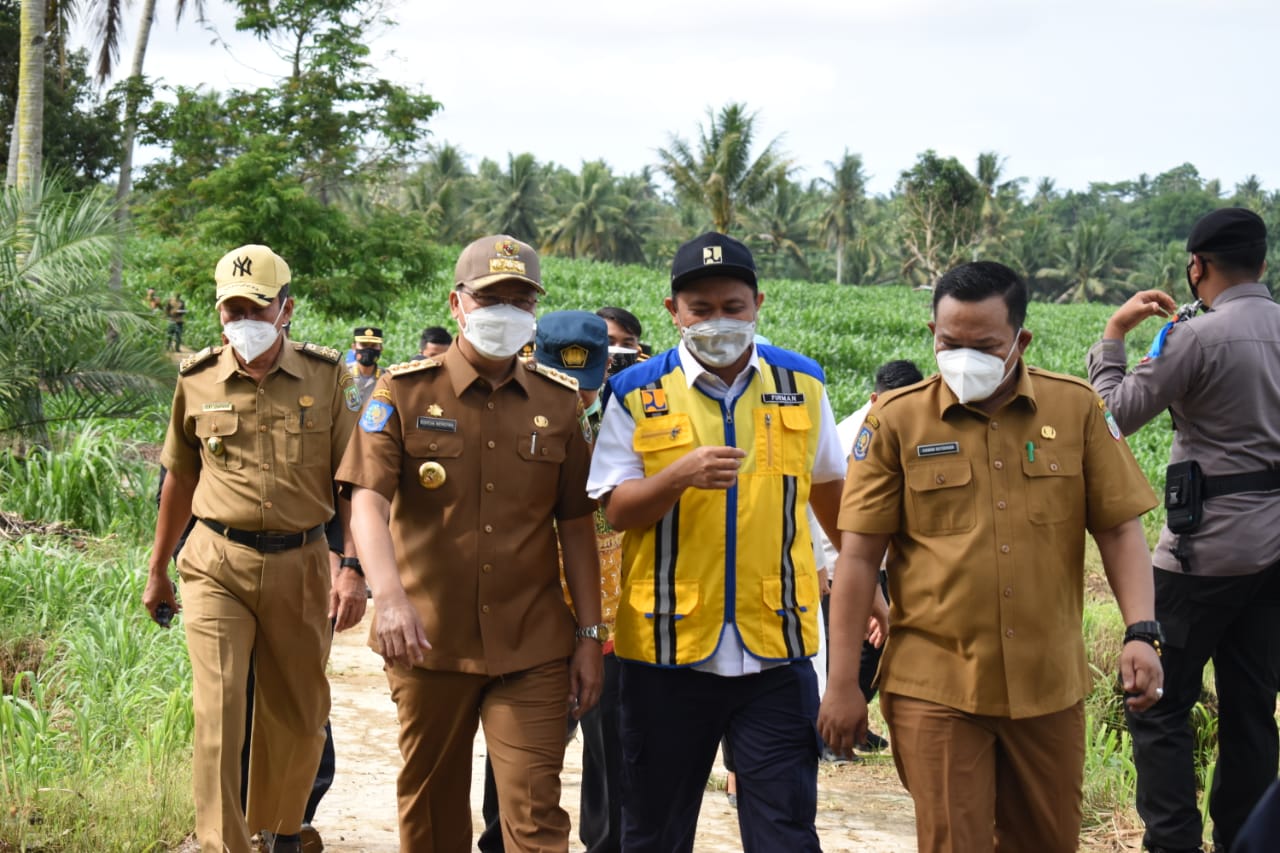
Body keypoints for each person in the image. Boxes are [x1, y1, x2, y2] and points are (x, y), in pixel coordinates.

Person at [819, 260, 1164, 853]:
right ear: (932, 333)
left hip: (1048, 686)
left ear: (1020, 341)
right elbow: (857, 559)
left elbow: (1119, 529)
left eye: (985, 345)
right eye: (949, 343)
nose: (964, 357)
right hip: (936, 682)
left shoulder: (1077, 409)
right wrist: (842, 684)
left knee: (1049, 841)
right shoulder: (895, 420)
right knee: (957, 843)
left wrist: (1141, 631)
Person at [337, 235, 604, 852]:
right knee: (433, 815)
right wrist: (390, 598)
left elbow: (576, 525)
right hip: (427, 637)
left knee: (536, 816)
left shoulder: (558, 403)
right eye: (490, 297)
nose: (504, 310)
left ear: (535, 310)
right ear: (458, 305)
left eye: (519, 298)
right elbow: (368, 502)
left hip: (532, 644)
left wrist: (589, 638)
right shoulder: (402, 393)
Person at [587, 232, 847, 852]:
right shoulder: (636, 392)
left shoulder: (803, 383)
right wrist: (678, 475)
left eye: (732, 306)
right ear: (673, 311)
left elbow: (832, 492)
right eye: (700, 309)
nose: (718, 321)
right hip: (665, 653)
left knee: (784, 833)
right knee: (653, 833)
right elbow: (615, 509)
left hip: (776, 652)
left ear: (757, 302)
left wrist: (865, 583)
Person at [142, 244, 367, 853]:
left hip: (300, 562)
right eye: (231, 308)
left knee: (297, 710)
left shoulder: (326, 378)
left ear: (285, 309)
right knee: (218, 710)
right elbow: (179, 480)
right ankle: (224, 843)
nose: (241, 319)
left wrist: (351, 568)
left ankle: (284, 830)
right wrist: (158, 568)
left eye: (255, 307)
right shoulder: (197, 379)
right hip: (216, 562)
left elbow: (352, 483)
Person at [1086, 207, 1280, 853]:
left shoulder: (1192, 336)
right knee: (1253, 711)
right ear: (1263, 262)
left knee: (1159, 703)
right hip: (1276, 551)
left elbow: (1113, 418)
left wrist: (1114, 334)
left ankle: (1172, 843)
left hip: (1203, 553)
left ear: (1197, 267)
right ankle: (1247, 842)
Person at [479, 309, 622, 853]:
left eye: (585, 388)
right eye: (564, 383)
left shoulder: (623, 426)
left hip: (606, 624)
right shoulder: (510, 421)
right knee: (516, 761)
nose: (576, 398)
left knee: (610, 762)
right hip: (531, 622)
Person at [813, 359, 923, 759]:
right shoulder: (848, 442)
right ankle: (831, 734)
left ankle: (854, 726)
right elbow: (829, 514)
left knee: (878, 643)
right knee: (852, 647)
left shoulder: (910, 428)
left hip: (883, 560)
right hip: (845, 561)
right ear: (874, 399)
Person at [348, 326, 386, 408]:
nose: (368, 350)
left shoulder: (386, 378)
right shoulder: (344, 374)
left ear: (381, 348)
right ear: (354, 347)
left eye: (373, 346)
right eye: (364, 345)